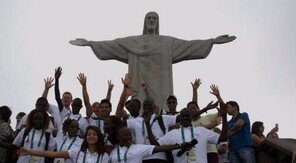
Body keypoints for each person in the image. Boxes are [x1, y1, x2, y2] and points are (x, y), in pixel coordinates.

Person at [69, 11, 236, 111]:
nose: (151, 20)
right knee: (138, 106)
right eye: (148, 18)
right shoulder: (133, 41)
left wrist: (211, 41)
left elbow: (188, 46)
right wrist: (91, 43)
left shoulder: (167, 42)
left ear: (158, 23)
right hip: (138, 84)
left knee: (160, 109)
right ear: (144, 22)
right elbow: (114, 44)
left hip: (161, 86)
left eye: (154, 18)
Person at [157, 108, 228, 163]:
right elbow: (157, 145)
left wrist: (224, 117)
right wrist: (177, 146)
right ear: (180, 118)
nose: (185, 118)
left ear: (191, 117)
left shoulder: (201, 130)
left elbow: (223, 138)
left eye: (187, 115)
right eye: (183, 116)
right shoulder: (172, 133)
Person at [209, 85, 256, 163]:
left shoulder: (244, 115)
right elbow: (227, 134)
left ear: (235, 107)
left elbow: (239, 124)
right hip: (232, 151)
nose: (226, 110)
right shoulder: (228, 122)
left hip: (245, 148)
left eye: (229, 107)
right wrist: (218, 96)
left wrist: (230, 132)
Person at [17, 126, 110, 163]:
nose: (91, 136)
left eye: (94, 134)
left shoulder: (104, 156)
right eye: (89, 134)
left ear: (98, 137)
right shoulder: (77, 152)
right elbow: (53, 154)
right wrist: (29, 151)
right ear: (85, 137)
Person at [109, 126, 185, 163]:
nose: (129, 137)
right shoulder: (113, 152)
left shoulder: (138, 148)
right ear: (118, 137)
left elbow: (159, 148)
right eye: (126, 135)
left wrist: (179, 146)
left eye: (130, 135)